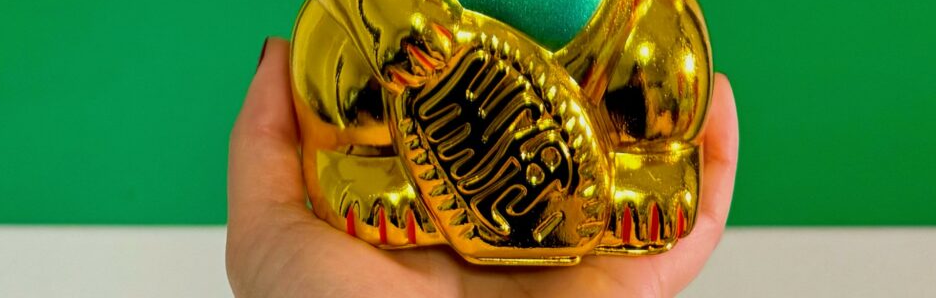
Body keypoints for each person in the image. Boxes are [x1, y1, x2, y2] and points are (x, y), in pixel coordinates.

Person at [226, 39, 740, 297]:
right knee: (340, 53)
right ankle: (368, 166)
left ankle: (646, 166)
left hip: (595, 65)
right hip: (417, 74)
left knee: (665, 50)